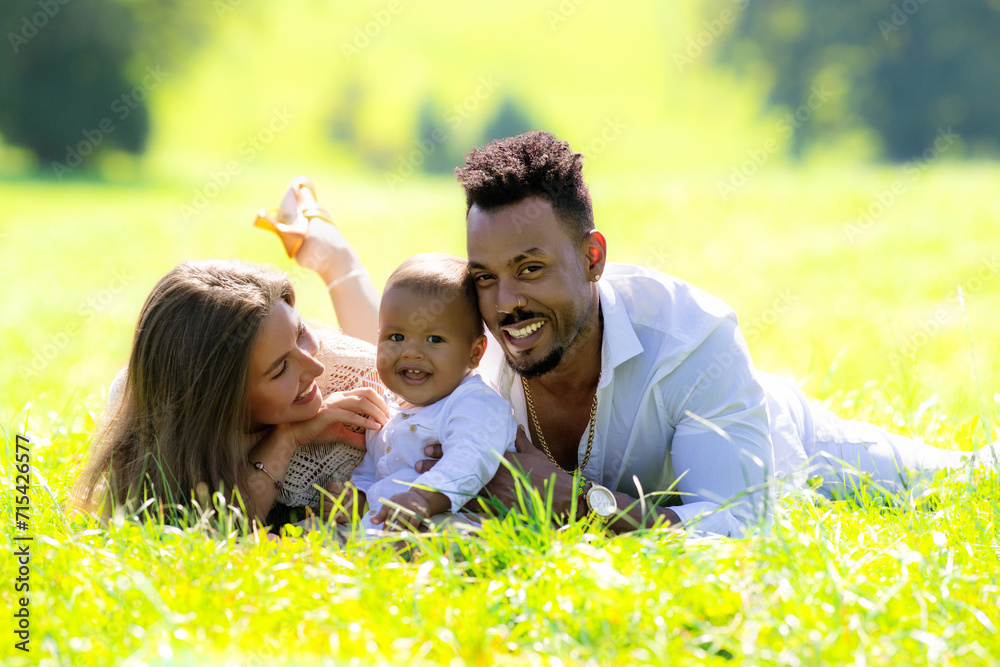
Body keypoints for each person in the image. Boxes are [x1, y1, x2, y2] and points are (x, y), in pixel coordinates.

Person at [444, 130, 998, 537]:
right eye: (486, 278)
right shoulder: (466, 351)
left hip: (779, 442)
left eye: (530, 269)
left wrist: (580, 505)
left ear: (593, 258)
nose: (506, 303)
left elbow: (737, 526)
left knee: (966, 479)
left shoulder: (693, 338)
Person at [73, 256, 395, 527]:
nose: (314, 367)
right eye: (281, 369)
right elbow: (209, 532)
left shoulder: (354, 388)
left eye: (301, 332)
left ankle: (336, 259)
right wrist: (287, 438)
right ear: (219, 404)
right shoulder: (153, 408)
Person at [348, 253, 518, 536]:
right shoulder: (390, 410)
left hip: (452, 517)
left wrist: (425, 496)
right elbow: (373, 470)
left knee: (453, 537)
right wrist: (359, 497)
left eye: (435, 339)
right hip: (387, 523)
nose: (411, 351)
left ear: (474, 353)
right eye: (396, 337)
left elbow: (471, 456)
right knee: (313, 531)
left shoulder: (475, 402)